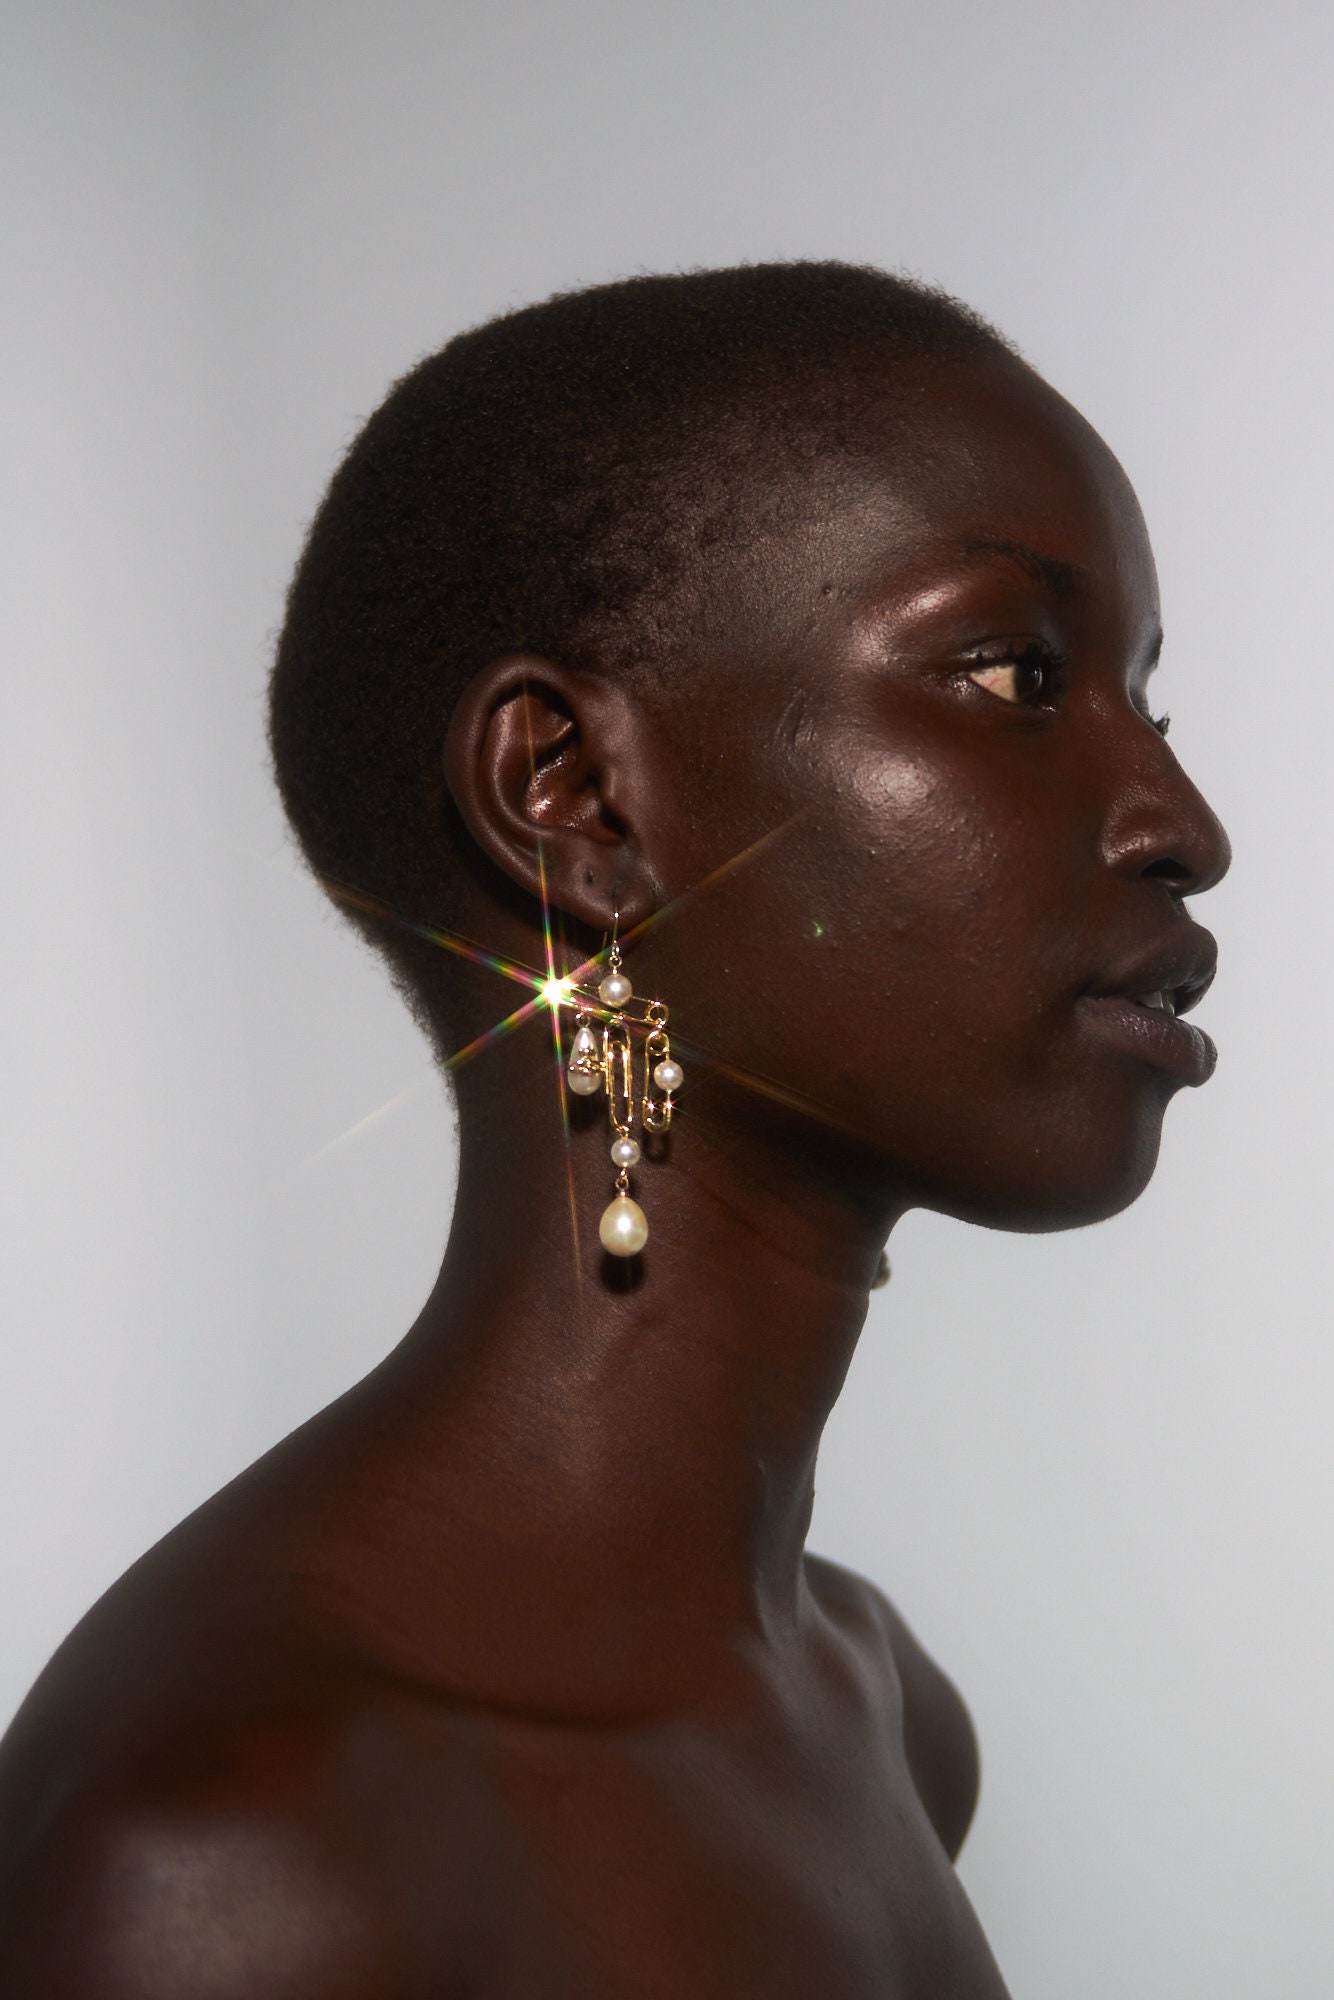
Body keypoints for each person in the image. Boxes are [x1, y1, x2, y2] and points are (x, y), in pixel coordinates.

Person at [0, 261, 1228, 1998]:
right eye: (1015, 674)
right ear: (574, 798)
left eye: (1146, 700)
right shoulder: (239, 1862)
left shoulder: (880, 1715)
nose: (1181, 822)